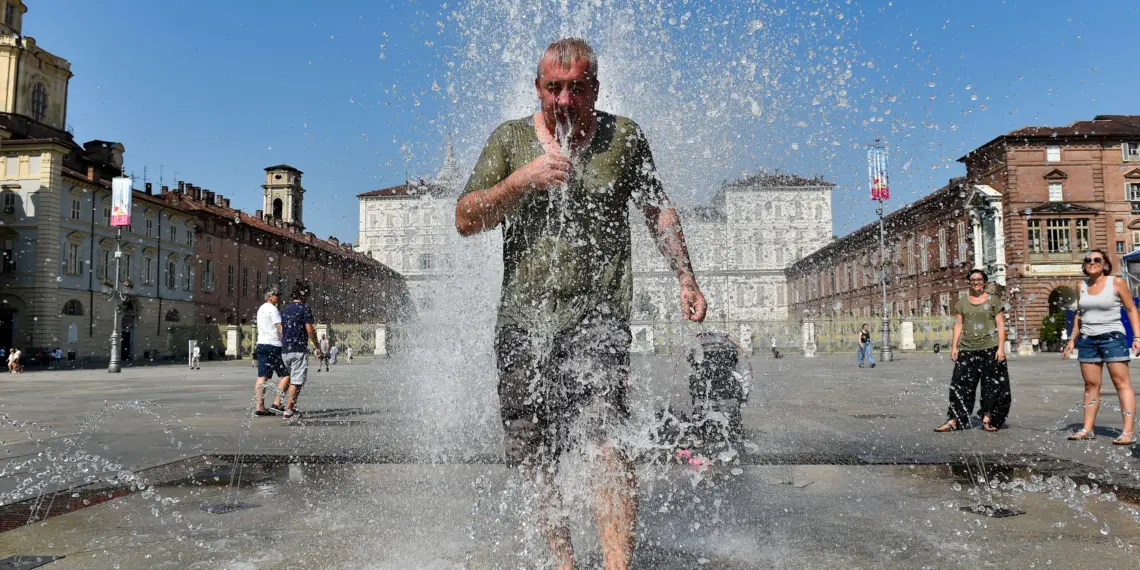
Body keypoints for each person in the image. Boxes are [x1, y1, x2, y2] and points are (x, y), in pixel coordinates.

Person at [455, 38, 707, 570]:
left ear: (596, 87)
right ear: (537, 88)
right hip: (523, 323)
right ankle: (563, 563)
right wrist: (522, 180)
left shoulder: (625, 139)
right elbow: (466, 219)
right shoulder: (510, 141)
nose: (565, 100)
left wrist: (686, 278)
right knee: (535, 455)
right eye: (553, 88)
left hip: (599, 318)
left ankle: (617, 566)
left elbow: (657, 210)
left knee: (605, 441)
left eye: (577, 88)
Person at [1062, 249, 1138, 445]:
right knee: (1090, 385)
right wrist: (1072, 339)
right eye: (1088, 260)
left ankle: (1127, 432)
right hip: (1087, 339)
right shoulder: (1081, 286)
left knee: (1122, 384)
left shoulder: (1116, 282)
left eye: (1097, 260)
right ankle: (1087, 429)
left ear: (1105, 264)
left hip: (1112, 337)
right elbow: (1080, 313)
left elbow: (1131, 309)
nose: (1092, 262)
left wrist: (1137, 337)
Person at [935, 269, 1009, 432]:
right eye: (973, 280)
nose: (976, 282)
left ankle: (988, 418)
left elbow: (1001, 325)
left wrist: (1001, 348)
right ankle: (954, 420)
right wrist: (954, 347)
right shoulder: (962, 303)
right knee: (959, 384)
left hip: (990, 348)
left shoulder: (994, 301)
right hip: (967, 349)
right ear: (969, 282)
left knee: (991, 385)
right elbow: (958, 325)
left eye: (979, 279)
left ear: (985, 282)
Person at [277, 280, 322, 421]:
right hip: (298, 349)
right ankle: (289, 410)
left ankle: (290, 406)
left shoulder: (286, 309)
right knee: (297, 382)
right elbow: (309, 329)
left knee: (291, 379)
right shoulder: (304, 308)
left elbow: (282, 331)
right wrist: (317, 345)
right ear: (305, 295)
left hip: (285, 350)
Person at [252, 287, 290, 417]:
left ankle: (259, 407)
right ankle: (277, 403)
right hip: (273, 345)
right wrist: (287, 340)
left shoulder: (261, 309)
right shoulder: (273, 309)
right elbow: (280, 326)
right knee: (286, 375)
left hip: (261, 344)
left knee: (262, 376)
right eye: (276, 294)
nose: (279, 296)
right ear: (269, 297)